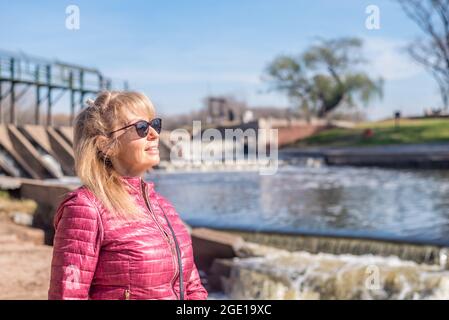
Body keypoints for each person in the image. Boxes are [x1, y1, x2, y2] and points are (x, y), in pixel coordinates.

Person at [48, 91, 208, 300]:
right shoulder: (85, 208)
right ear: (106, 145)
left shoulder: (164, 207)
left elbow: (192, 286)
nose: (154, 134)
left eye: (155, 125)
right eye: (141, 127)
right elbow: (67, 296)